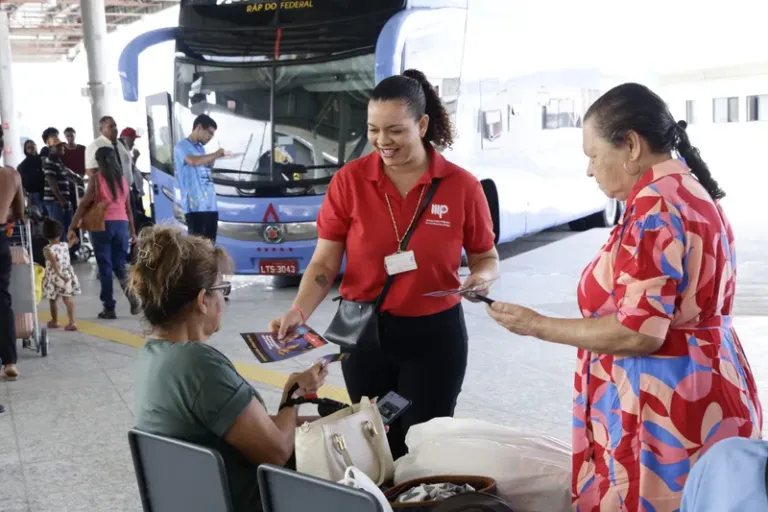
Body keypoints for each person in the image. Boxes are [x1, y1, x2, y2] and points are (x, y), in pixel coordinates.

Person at [485, 83, 762, 511]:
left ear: (631, 144)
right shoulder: (685, 189)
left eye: (594, 156)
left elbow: (639, 332)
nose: (590, 171)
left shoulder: (654, 207)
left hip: (664, 405)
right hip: (705, 386)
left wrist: (534, 325)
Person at [269, 69, 499, 459]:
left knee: (426, 442)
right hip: (366, 336)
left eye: (394, 130)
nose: (381, 142)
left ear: (422, 124)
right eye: (373, 130)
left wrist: (481, 278)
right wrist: (299, 310)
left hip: (435, 337)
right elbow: (325, 262)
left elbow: (487, 257)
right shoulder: (350, 181)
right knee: (377, 440)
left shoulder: (461, 186)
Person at [130, 225, 328, 512]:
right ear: (202, 301)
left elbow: (243, 427)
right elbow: (276, 451)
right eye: (223, 291)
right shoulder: (198, 365)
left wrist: (329, 421)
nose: (225, 300)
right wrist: (294, 394)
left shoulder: (155, 355)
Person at [70, 147, 139, 319]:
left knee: (105, 267)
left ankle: (109, 307)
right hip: (122, 225)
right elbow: (129, 208)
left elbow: (85, 203)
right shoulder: (123, 180)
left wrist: (73, 225)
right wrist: (133, 230)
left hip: (102, 225)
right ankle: (133, 296)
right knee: (120, 265)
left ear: (98, 161)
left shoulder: (96, 179)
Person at [174, 114, 228, 242]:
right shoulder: (181, 146)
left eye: (212, 134)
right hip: (195, 206)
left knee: (210, 247)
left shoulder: (201, 149)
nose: (210, 137)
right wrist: (215, 154)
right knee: (197, 249)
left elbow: (203, 166)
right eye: (209, 133)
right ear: (199, 127)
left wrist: (212, 160)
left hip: (210, 205)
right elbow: (193, 161)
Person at [0, 125, 26, 381]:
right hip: (0, 243)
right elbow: (19, 214)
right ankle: (9, 362)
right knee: (2, 302)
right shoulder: (12, 176)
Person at [41, 218, 81, 331]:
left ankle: (55, 321)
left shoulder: (47, 249)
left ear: (45, 235)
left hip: (56, 277)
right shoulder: (63, 245)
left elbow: (54, 265)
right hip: (67, 275)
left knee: (53, 299)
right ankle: (72, 322)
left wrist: (59, 275)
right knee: (68, 299)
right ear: (60, 233)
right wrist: (73, 240)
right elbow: (70, 244)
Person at [42, 128, 73, 242]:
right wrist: (62, 200)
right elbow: (52, 183)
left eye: (62, 146)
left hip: (61, 201)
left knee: (65, 229)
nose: (62, 148)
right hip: (55, 202)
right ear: (51, 149)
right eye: (58, 147)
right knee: (57, 232)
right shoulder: (50, 162)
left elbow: (69, 176)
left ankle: (65, 253)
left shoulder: (59, 162)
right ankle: (58, 255)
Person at [85, 116, 134, 187]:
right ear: (101, 129)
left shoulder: (120, 144)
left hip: (127, 190)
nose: (115, 129)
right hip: (110, 192)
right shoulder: (95, 146)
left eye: (115, 126)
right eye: (110, 126)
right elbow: (91, 171)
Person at [17, 139, 45, 214]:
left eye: (33, 146)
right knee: (38, 217)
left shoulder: (42, 160)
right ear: (25, 150)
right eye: (28, 148)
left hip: (46, 192)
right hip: (33, 194)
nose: (31, 149)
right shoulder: (23, 165)